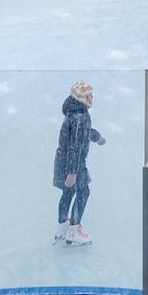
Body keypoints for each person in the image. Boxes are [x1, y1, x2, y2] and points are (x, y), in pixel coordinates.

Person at [53, 81, 105, 247]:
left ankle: (61, 228)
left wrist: (96, 137)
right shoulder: (80, 117)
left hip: (64, 161)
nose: (92, 97)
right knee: (83, 192)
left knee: (68, 193)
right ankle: (74, 230)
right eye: (89, 94)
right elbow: (75, 145)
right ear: (82, 97)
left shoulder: (75, 113)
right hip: (74, 163)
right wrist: (72, 172)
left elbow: (83, 133)